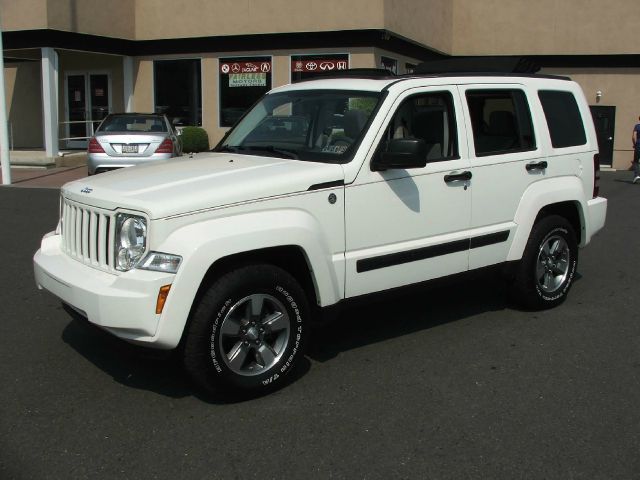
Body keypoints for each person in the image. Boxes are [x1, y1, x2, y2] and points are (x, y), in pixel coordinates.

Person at [633, 116, 640, 183]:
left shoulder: (637, 126)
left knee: (636, 161)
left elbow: (633, 136)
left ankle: (637, 175)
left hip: (638, 145)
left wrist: (635, 144)